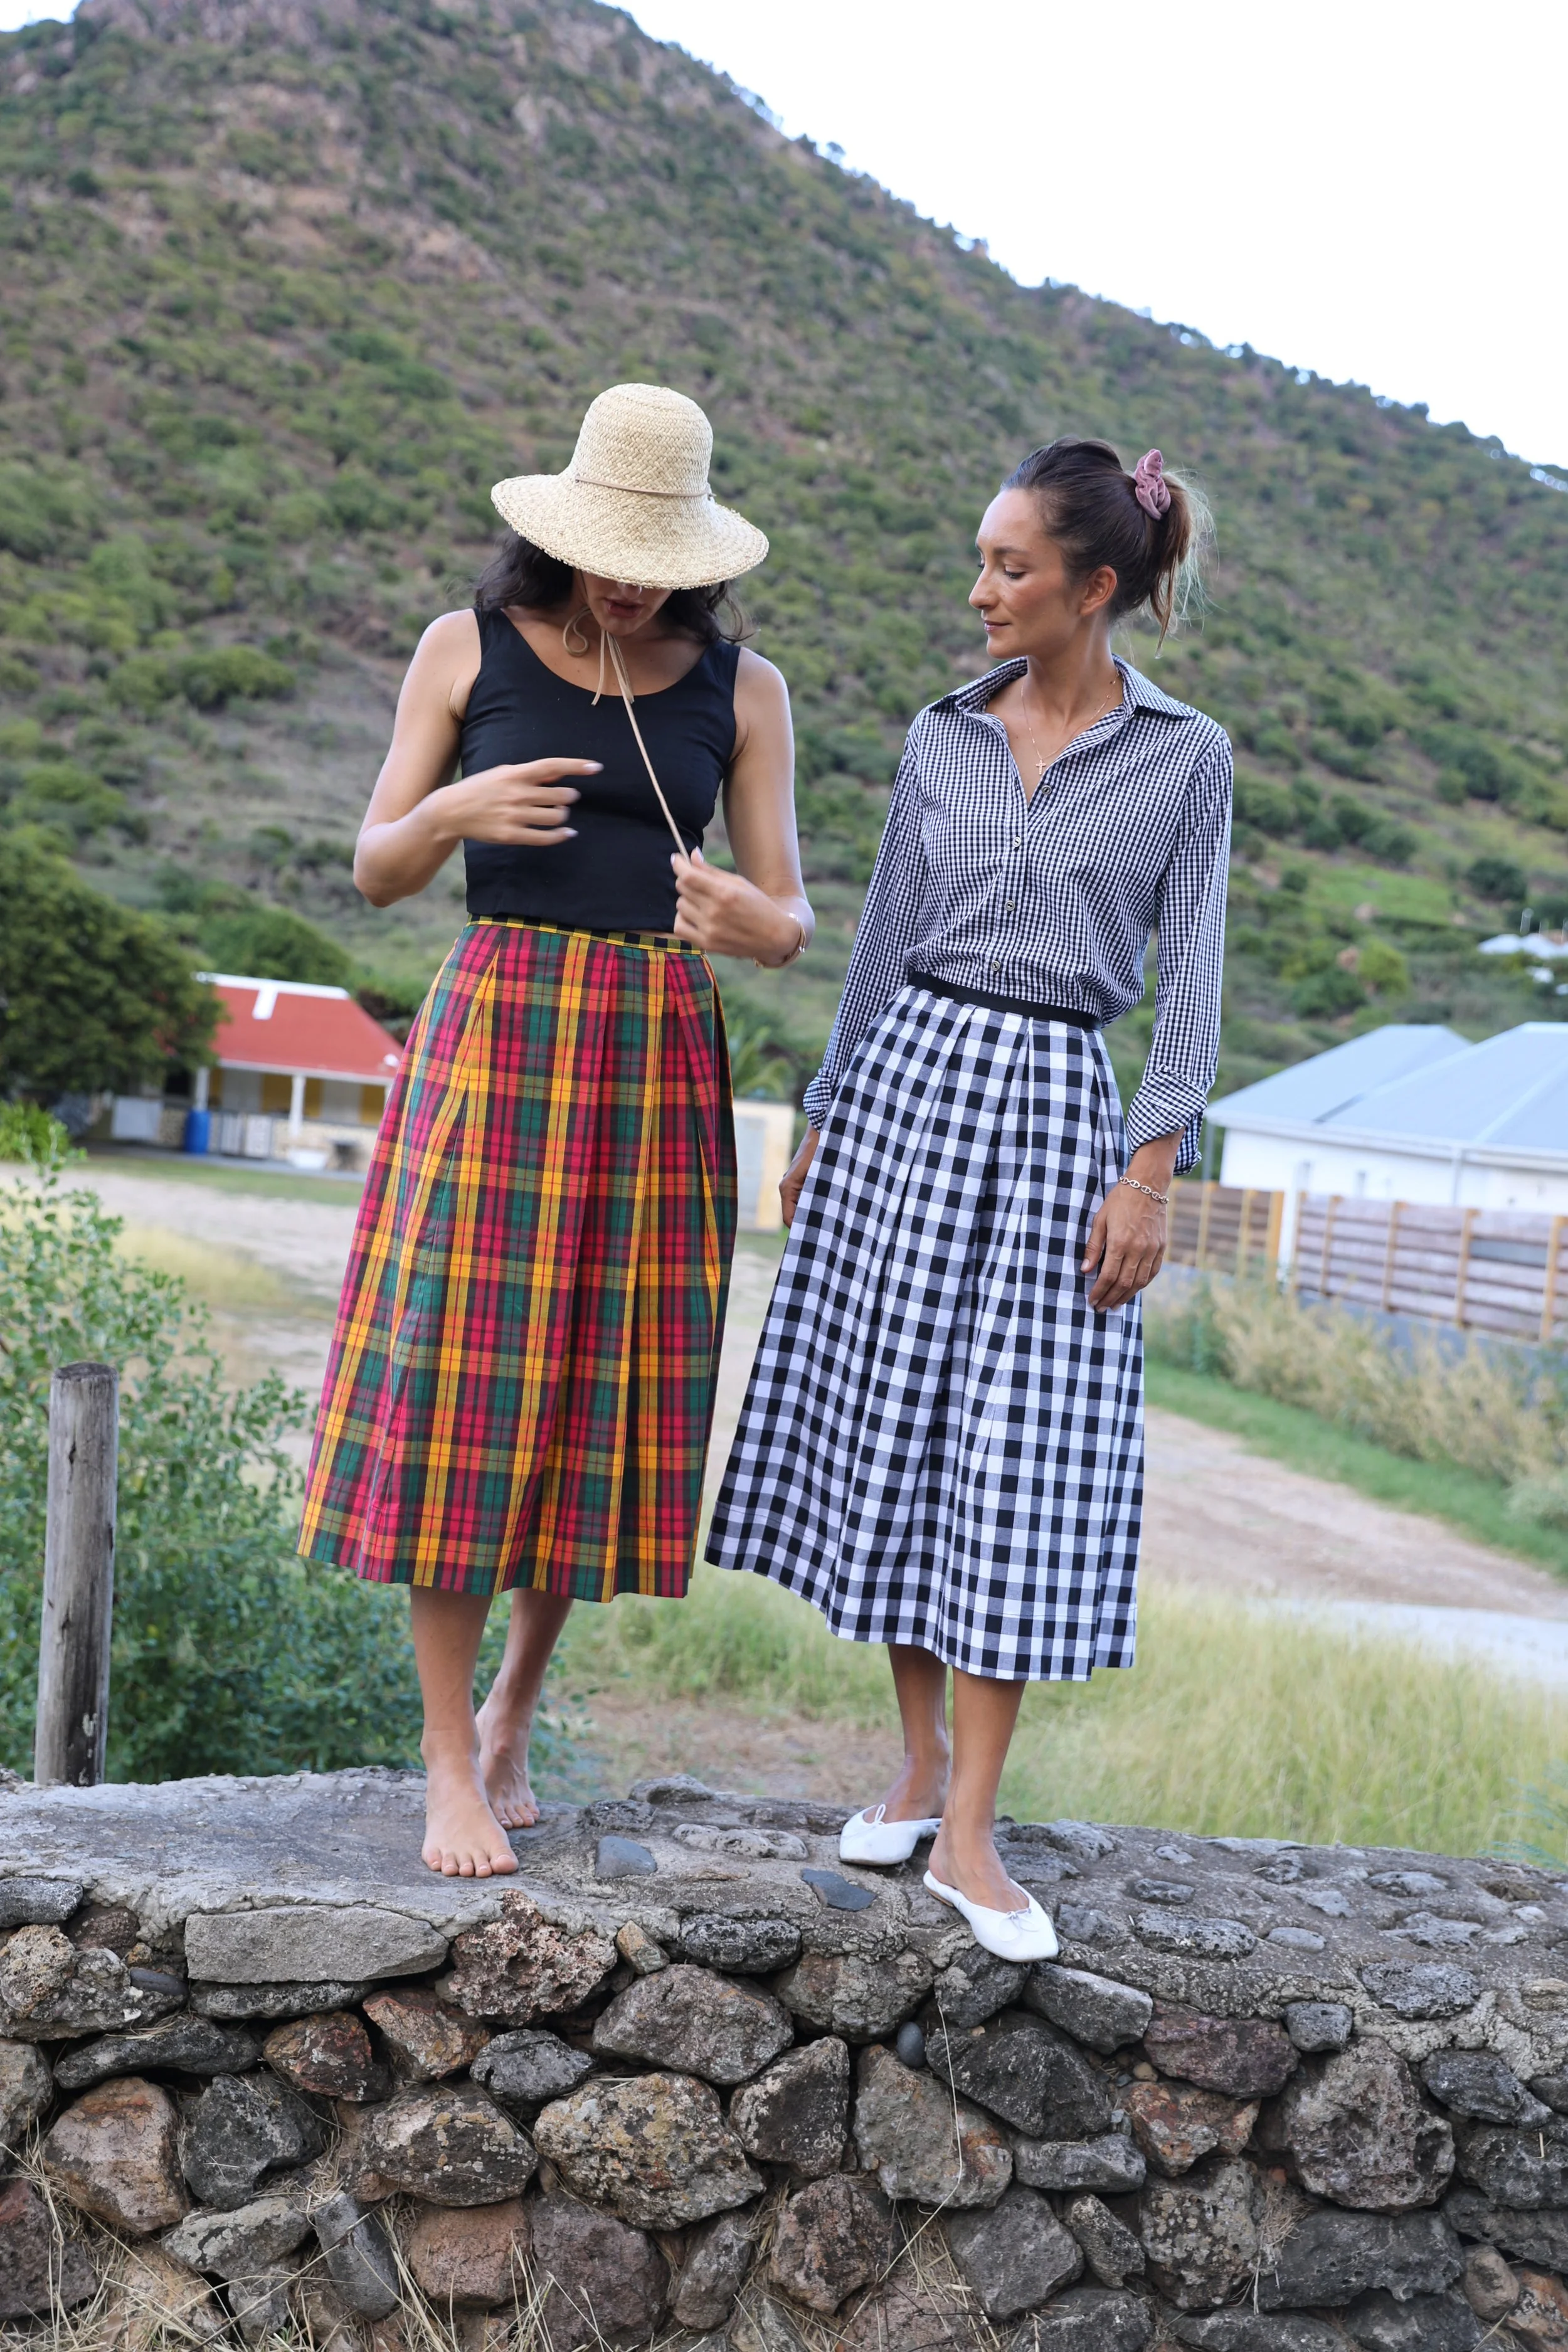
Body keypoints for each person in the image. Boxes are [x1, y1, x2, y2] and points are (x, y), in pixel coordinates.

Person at [709, 437, 1229, 1960]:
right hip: (910, 1091)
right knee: (902, 1426)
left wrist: (1151, 1172)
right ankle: (921, 1764)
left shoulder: (1182, 757)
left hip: (1061, 1111)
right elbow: (881, 939)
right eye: (981, 560)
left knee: (1016, 1455)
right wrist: (825, 1109)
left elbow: (1191, 977)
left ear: (1093, 586)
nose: (980, 588)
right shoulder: (938, 736)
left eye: (1009, 566)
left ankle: (978, 1832)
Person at [300, 383, 812, 1877]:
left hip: (655, 1043)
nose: (630, 579)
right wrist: (462, 809)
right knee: (462, 1385)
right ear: (561, 529)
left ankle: (520, 1706)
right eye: (610, 548)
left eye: (658, 555)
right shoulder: (464, 649)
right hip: (495, 1029)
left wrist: (748, 925)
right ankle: (444, 1754)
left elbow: (788, 913)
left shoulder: (746, 688)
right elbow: (375, 867)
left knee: (597, 1391)